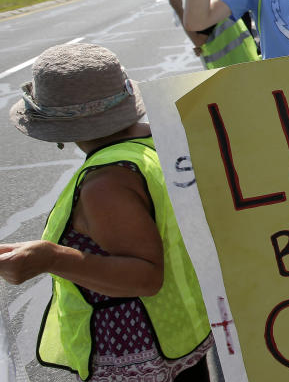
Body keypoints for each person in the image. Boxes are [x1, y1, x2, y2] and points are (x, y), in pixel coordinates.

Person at [2, 43, 212, 380]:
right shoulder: (158, 143)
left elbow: (146, 276)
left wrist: (51, 258)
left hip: (135, 355)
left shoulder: (106, 184)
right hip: (180, 335)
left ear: (59, 131)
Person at [169, 0, 259, 69]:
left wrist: (179, 9)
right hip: (241, 60)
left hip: (233, 65)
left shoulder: (199, 4)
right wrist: (202, 47)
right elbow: (205, 38)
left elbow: (198, 40)